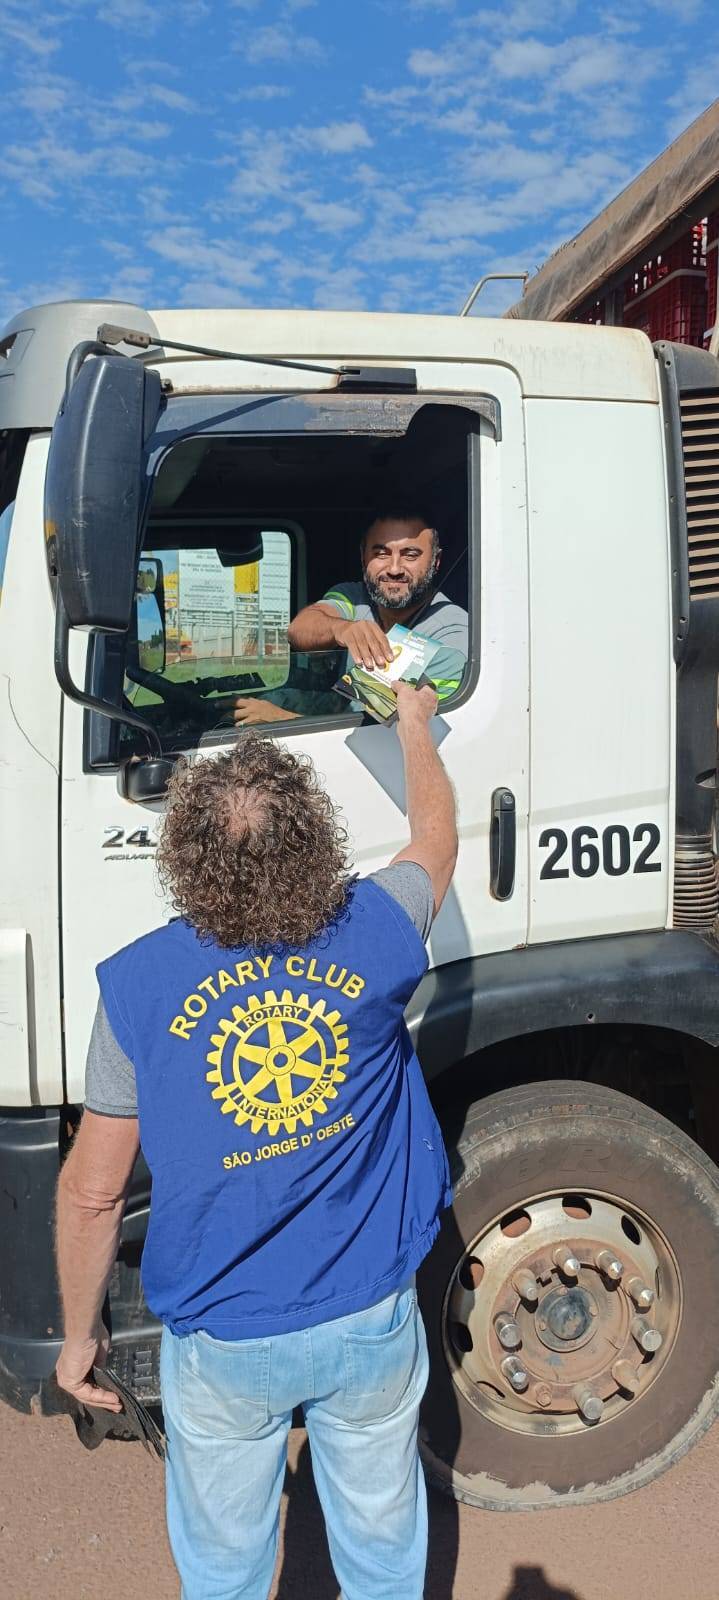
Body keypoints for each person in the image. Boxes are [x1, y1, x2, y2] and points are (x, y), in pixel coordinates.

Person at [55, 682, 458, 1600]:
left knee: (226, 1570)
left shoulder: (138, 988)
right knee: (384, 1554)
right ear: (313, 843)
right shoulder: (376, 929)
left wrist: (80, 1337)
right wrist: (412, 730)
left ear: (185, 858)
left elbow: (92, 1194)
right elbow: (435, 843)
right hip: (367, 1319)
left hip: (223, 1340)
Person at [231, 508, 467, 726]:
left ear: (435, 562)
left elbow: (411, 737)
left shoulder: (451, 636)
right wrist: (340, 628)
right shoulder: (354, 597)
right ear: (363, 557)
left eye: (410, 555)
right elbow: (298, 631)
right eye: (381, 554)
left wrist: (283, 720)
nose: (394, 568)